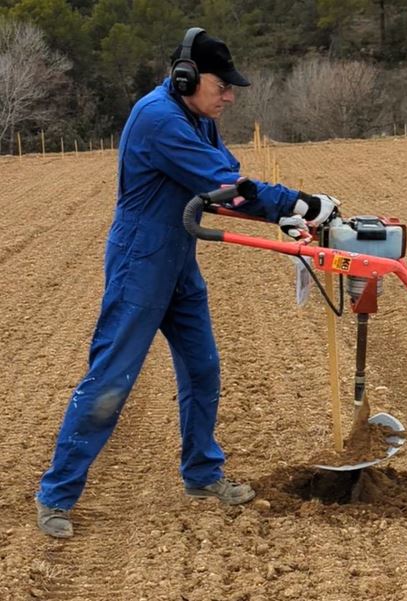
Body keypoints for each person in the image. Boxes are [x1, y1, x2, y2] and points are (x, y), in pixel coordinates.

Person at [35, 27, 339, 538]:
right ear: (186, 77)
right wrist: (299, 203)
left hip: (178, 260)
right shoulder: (158, 119)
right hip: (140, 261)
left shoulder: (197, 118)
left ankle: (201, 474)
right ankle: (56, 495)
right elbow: (225, 186)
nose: (230, 95)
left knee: (202, 369)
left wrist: (282, 217)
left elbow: (225, 184)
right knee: (111, 380)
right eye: (222, 85)